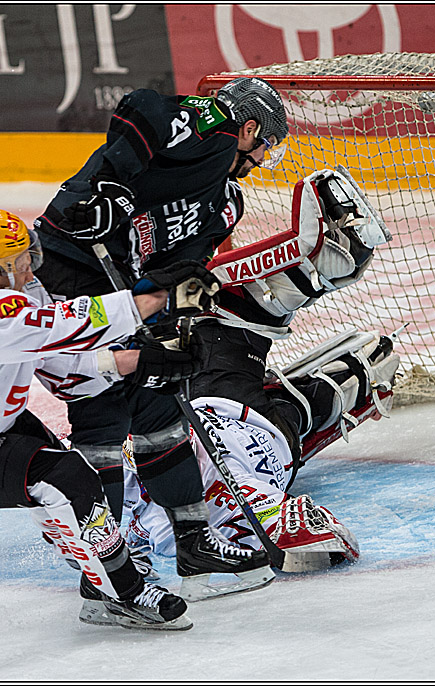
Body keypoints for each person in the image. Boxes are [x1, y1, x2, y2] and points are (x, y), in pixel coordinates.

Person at [0, 208, 218, 631]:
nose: (31, 263)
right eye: (20, 259)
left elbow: (58, 361)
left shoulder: (4, 298)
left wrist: (139, 362)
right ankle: (123, 595)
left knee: (66, 484)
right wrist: (153, 299)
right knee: (69, 480)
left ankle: (95, 565)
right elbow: (70, 327)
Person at [31, 77, 290, 598]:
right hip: (71, 261)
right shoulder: (212, 127)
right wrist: (113, 186)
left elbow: (181, 268)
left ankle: (195, 544)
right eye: (265, 147)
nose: (262, 160)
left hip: (125, 286)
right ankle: (104, 570)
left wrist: (175, 327)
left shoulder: (223, 201)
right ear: (251, 126)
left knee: (160, 407)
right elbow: (141, 108)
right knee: (100, 412)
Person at [122, 166, 399, 575]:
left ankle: (324, 263)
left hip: (252, 428)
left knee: (335, 384)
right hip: (234, 411)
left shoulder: (137, 516)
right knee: (216, 304)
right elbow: (333, 542)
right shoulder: (212, 508)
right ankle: (321, 256)